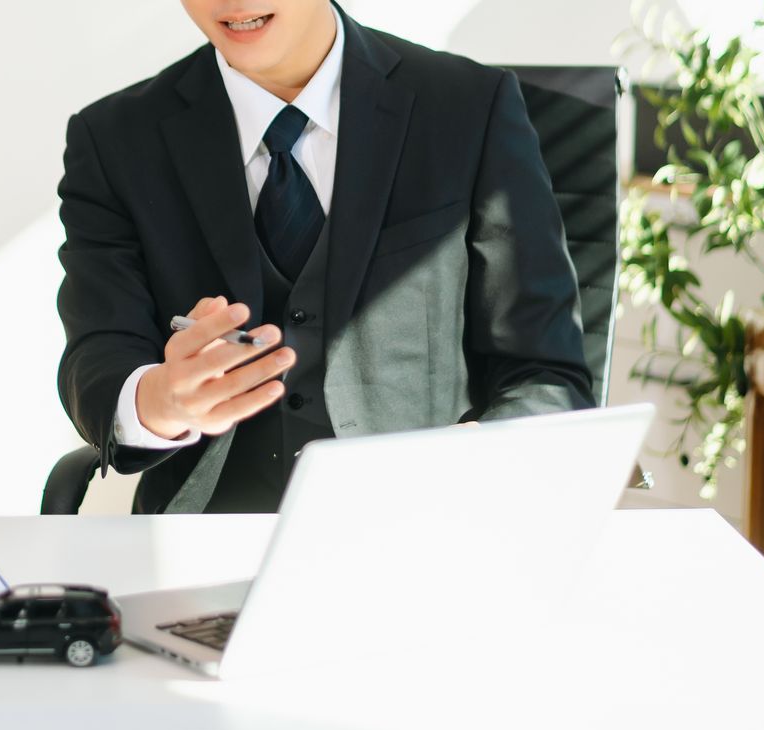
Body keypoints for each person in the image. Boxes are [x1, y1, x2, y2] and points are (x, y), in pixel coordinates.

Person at [56, 0, 594, 514]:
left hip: (424, 529)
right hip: (209, 541)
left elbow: (547, 374)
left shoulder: (468, 105)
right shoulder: (112, 140)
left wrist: (467, 460)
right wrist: (158, 401)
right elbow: (98, 354)